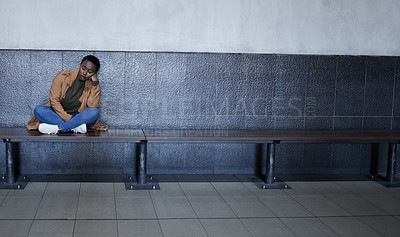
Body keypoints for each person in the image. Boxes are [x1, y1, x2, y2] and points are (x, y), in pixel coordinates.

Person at [27, 55, 108, 134]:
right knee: (39, 110)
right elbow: (54, 101)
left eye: (90, 72)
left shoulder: (92, 84)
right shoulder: (63, 76)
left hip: (79, 117)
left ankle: (59, 128)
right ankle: (75, 127)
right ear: (80, 66)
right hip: (59, 115)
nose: (85, 73)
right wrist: (68, 118)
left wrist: (95, 84)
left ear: (94, 73)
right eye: (83, 68)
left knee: (94, 112)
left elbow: (92, 105)